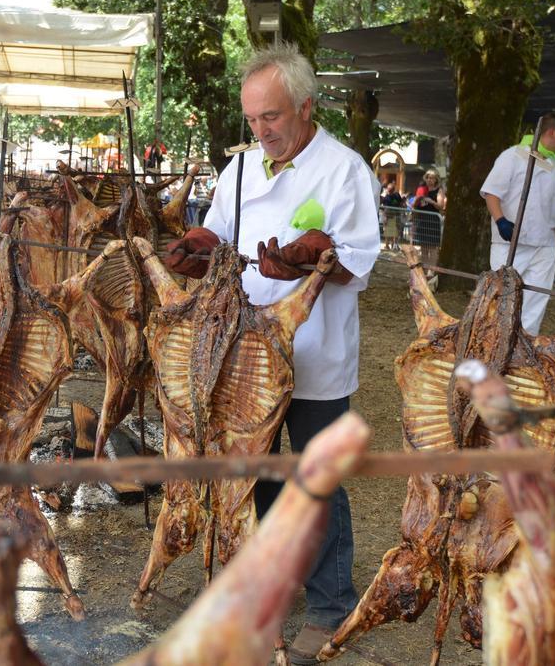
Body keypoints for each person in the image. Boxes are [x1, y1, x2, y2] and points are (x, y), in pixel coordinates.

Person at [163, 41, 380, 664]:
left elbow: (359, 260)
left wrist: (316, 258)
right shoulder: (239, 170)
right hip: (248, 351)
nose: (262, 131)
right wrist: (197, 246)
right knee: (255, 470)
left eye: (273, 118)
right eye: (253, 119)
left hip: (315, 354)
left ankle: (331, 606)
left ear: (305, 106)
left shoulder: (345, 169)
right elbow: (219, 236)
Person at [480, 111, 555, 335]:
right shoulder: (512, 156)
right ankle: (495, 341)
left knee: (537, 299)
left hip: (545, 244)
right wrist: (501, 220)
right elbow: (492, 193)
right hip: (511, 241)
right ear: (552, 132)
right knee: (503, 296)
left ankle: (525, 342)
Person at [410, 168, 445, 265]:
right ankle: (424, 271)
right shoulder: (421, 189)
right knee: (423, 248)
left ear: (436, 180)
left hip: (433, 222)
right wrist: (417, 200)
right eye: (428, 178)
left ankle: (432, 271)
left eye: (432, 178)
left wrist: (431, 201)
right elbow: (414, 205)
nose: (430, 180)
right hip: (422, 221)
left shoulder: (439, 190)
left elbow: (441, 206)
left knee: (433, 248)